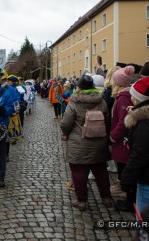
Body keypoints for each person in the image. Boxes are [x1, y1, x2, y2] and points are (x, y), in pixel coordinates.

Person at [60, 75, 112, 211]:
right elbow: (107, 121)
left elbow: (66, 123)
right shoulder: (102, 101)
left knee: (79, 172)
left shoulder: (74, 102)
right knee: (101, 171)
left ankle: (82, 201)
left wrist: (66, 133)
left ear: (79, 87)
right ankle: (106, 198)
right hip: (99, 142)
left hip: (79, 143)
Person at [121, 76, 149, 213]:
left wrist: (127, 179)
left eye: (133, 96)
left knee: (147, 227)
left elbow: (140, 155)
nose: (131, 98)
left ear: (141, 100)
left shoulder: (145, 123)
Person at [110, 65, 135, 211]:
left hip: (122, 139)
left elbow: (123, 121)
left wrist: (113, 136)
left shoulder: (124, 98)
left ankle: (126, 194)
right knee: (122, 165)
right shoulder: (124, 96)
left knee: (123, 166)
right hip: (123, 138)